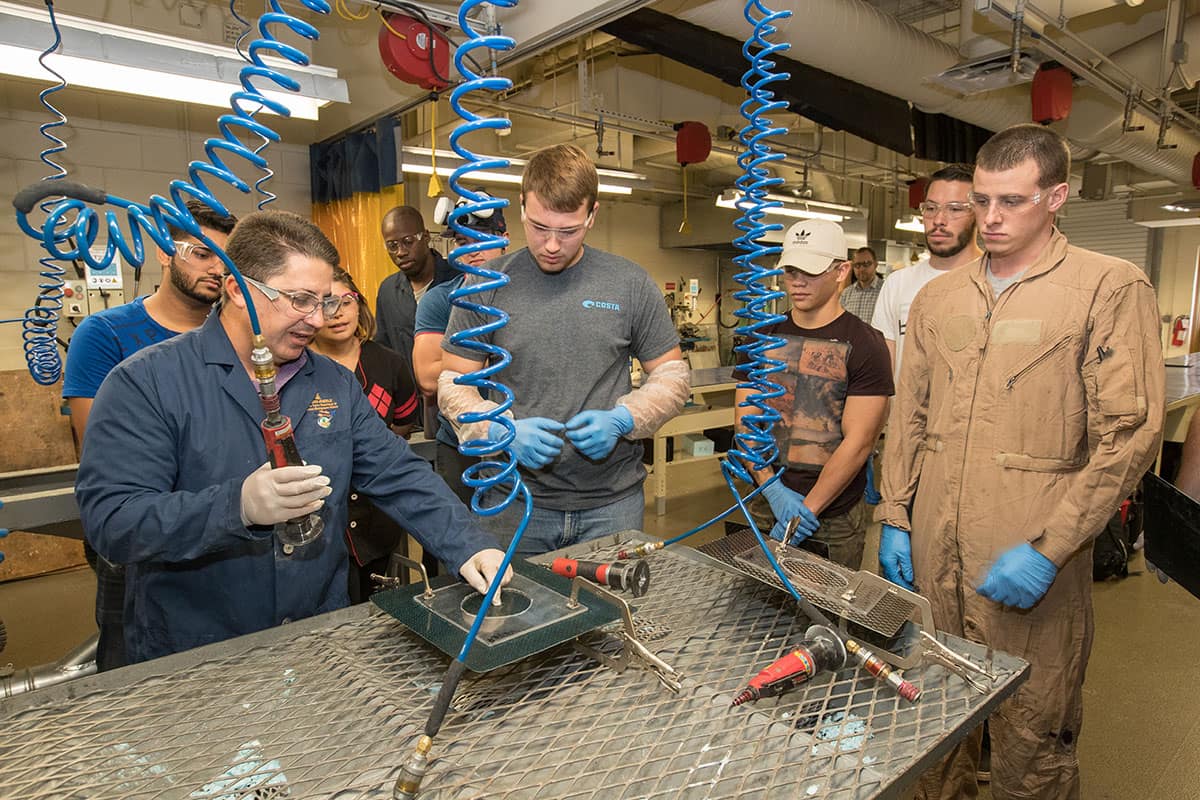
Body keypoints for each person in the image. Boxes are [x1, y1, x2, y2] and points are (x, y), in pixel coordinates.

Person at [75, 210, 509, 665]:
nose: (318, 319)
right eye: (300, 300)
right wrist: (235, 507)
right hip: (198, 655)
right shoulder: (147, 383)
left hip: (317, 641)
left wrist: (469, 544)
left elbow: (398, 472)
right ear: (237, 291)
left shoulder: (333, 384)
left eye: (325, 301)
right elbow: (112, 520)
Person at [876, 124, 1164, 800]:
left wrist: (1052, 547)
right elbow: (909, 414)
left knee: (1031, 738)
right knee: (934, 726)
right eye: (981, 200)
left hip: (1031, 558)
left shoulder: (1108, 288)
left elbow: (1129, 433)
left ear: (1057, 196)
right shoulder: (937, 300)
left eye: (1013, 201)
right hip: (933, 555)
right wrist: (894, 513)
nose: (991, 218)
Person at [437, 144, 690, 556]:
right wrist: (499, 431)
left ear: (592, 215)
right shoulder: (484, 286)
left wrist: (625, 418)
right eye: (540, 227)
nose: (552, 244)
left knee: (610, 616)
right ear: (521, 207)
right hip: (513, 501)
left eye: (568, 231)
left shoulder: (629, 283)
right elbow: (452, 383)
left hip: (612, 504)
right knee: (514, 617)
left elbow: (672, 376)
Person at [62, 200, 237, 671]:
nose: (215, 270)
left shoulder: (240, 339)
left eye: (225, 260)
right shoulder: (105, 334)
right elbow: (100, 445)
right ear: (164, 250)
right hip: (143, 536)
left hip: (228, 531)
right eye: (201, 254)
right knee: (135, 671)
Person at [733, 219, 893, 569]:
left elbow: (860, 442)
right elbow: (747, 426)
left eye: (810, 271)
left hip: (831, 518)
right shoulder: (760, 338)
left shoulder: (866, 344)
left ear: (841, 271)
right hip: (763, 505)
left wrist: (807, 510)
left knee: (823, 619)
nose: (797, 282)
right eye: (790, 271)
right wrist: (772, 490)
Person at [311, 267, 420, 603]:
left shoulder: (389, 363)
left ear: (359, 304)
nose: (338, 313)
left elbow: (401, 427)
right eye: (326, 304)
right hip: (319, 522)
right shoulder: (296, 368)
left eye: (346, 301)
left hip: (376, 519)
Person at [412, 197, 508, 509]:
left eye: (483, 240)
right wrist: (496, 356)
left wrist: (462, 359)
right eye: (465, 242)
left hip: (518, 441)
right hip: (458, 446)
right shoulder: (440, 300)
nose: (474, 251)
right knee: (463, 544)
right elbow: (428, 378)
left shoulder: (527, 297)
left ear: (504, 240)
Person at [872, 163, 981, 378]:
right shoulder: (898, 284)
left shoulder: (997, 282)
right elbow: (884, 372)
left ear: (979, 212)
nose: (939, 220)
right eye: (931, 208)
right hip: (907, 411)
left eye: (955, 209)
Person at [374, 205, 456, 358]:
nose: (401, 252)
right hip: (406, 382)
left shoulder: (459, 282)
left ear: (426, 237)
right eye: (392, 246)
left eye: (408, 241)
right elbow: (382, 350)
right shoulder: (387, 291)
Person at [839, 246, 884, 323]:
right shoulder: (846, 293)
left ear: (876, 265)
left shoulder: (885, 290)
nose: (862, 269)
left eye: (866, 264)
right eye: (857, 265)